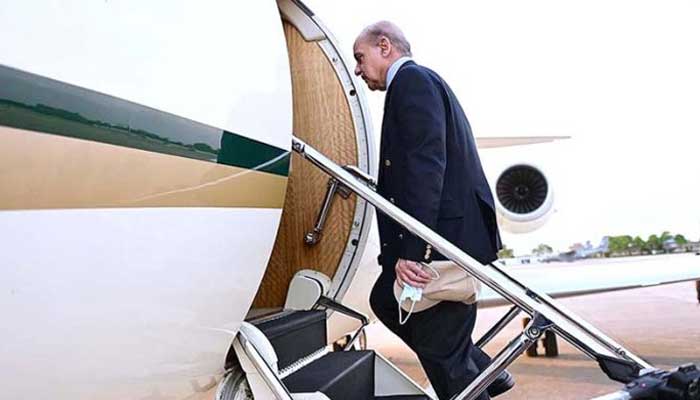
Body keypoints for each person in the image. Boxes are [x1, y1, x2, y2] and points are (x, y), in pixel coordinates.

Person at [353, 21, 513, 399]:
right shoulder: (419, 83)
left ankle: (480, 372)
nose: (359, 70)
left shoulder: (411, 82)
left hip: (442, 243)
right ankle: (485, 370)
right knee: (386, 302)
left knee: (447, 358)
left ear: (385, 46)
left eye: (361, 58)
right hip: (448, 236)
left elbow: (426, 167)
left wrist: (415, 252)